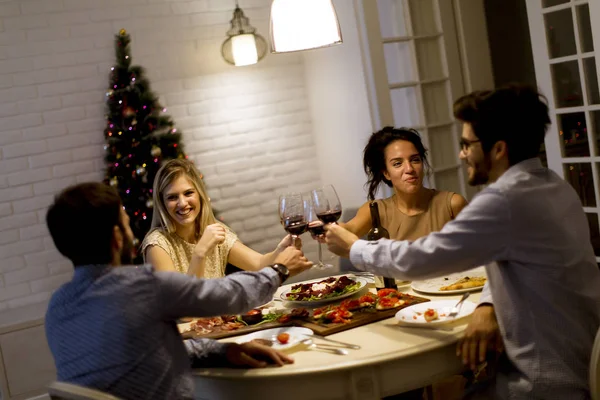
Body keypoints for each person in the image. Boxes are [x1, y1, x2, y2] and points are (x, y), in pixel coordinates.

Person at [325, 84, 600, 399]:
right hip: (581, 361)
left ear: (498, 149)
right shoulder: (554, 186)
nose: (461, 153)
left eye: (467, 144)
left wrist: (353, 248)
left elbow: (423, 258)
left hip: (542, 383)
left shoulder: (503, 201)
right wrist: (487, 303)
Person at [45, 182, 312, 400]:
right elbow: (228, 295)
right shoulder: (143, 287)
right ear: (117, 237)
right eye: (126, 223)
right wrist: (278, 271)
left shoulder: (57, 306)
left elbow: (144, 353)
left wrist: (222, 352)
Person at [142, 159, 293, 278]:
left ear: (200, 195)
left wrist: (280, 250)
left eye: (188, 193)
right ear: (162, 204)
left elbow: (258, 264)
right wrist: (200, 253)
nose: (182, 203)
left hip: (218, 318)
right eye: (172, 197)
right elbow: (183, 307)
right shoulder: (157, 245)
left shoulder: (213, 229)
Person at [342, 127, 467, 240]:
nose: (409, 169)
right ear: (386, 173)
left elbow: (478, 250)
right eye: (397, 163)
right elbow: (348, 230)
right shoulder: (375, 211)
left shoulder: (452, 204)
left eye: (415, 160)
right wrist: (328, 227)